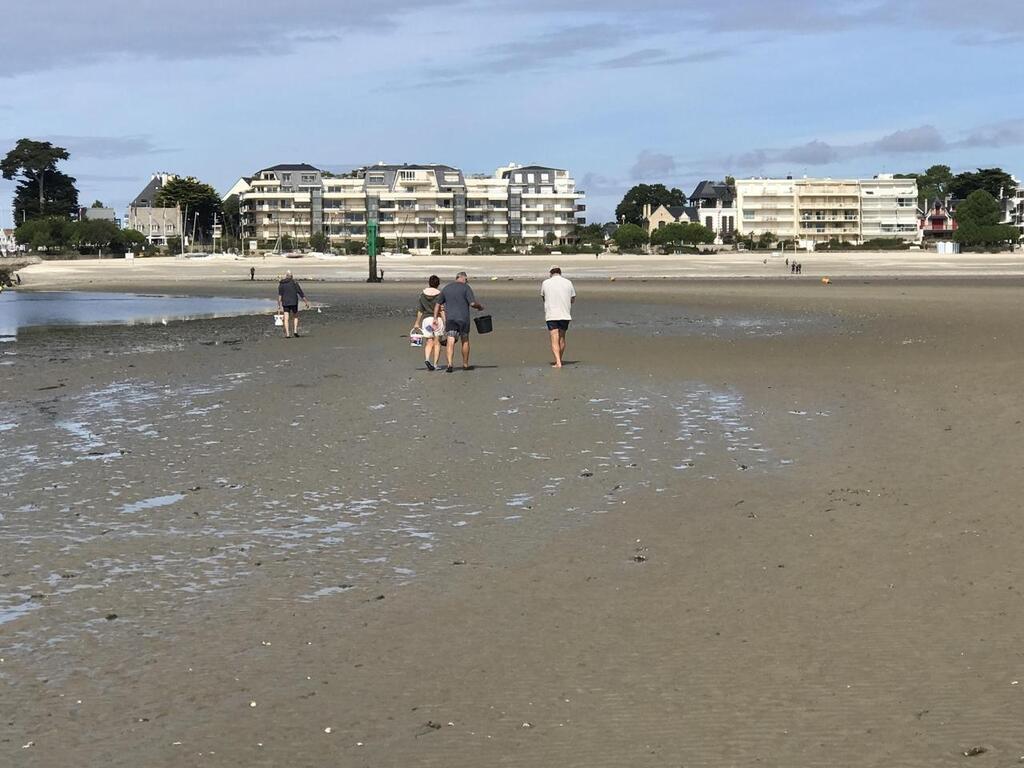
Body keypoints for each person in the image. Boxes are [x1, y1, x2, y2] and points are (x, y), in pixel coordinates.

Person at [434, 271, 483, 372]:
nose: (467, 281)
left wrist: (435, 317)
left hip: (450, 318)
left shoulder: (447, 288)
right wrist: (480, 307)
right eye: (466, 279)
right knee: (464, 340)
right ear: (463, 278)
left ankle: (450, 365)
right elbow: (472, 303)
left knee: (450, 340)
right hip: (463, 318)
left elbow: (438, 304)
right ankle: (465, 364)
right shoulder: (466, 288)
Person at [541, 266, 575, 368]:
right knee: (562, 338)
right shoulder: (568, 282)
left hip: (552, 314)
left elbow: (543, 297)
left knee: (554, 337)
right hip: (565, 314)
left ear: (551, 273)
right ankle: (559, 359)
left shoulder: (546, 283)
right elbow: (573, 299)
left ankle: (558, 362)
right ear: (560, 272)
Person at [413, 275, 444, 370]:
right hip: (437, 320)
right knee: (437, 342)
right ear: (438, 284)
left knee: (429, 341)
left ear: (429, 283)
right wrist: (446, 321)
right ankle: (435, 364)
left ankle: (427, 359)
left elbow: (420, 310)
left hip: (426, 321)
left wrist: (417, 322)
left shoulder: (422, 294)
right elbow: (442, 309)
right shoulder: (440, 294)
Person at [277, 270, 310, 338]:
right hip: (294, 302)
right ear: (291, 276)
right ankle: (295, 331)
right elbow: (300, 293)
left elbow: (280, 295)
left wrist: (279, 304)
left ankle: (288, 334)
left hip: (285, 302)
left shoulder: (282, 283)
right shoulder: (294, 283)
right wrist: (306, 302)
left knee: (286, 318)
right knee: (295, 316)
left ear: (286, 276)